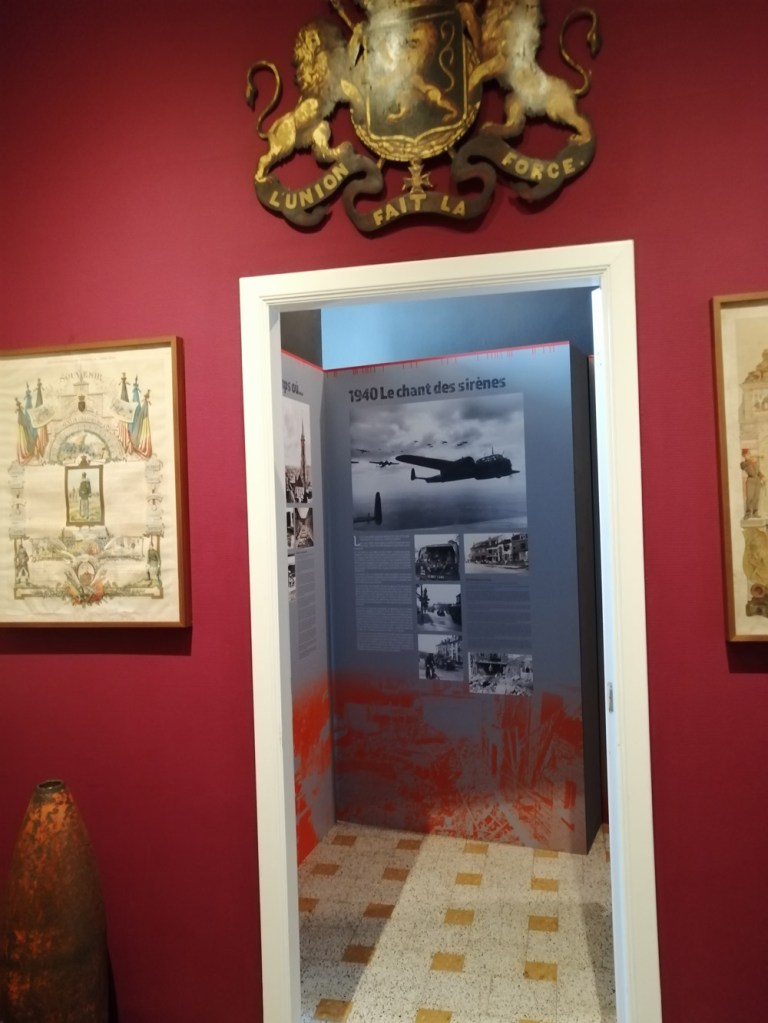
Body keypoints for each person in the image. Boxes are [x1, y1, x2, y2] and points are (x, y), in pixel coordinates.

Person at [740, 449, 764, 519]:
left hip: (757, 480)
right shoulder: (743, 463)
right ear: (744, 456)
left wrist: (762, 476)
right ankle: (747, 514)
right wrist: (751, 461)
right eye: (747, 454)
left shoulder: (754, 462)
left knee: (756, 497)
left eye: (749, 454)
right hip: (750, 480)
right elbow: (742, 466)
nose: (749, 455)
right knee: (749, 497)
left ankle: (755, 513)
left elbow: (758, 472)